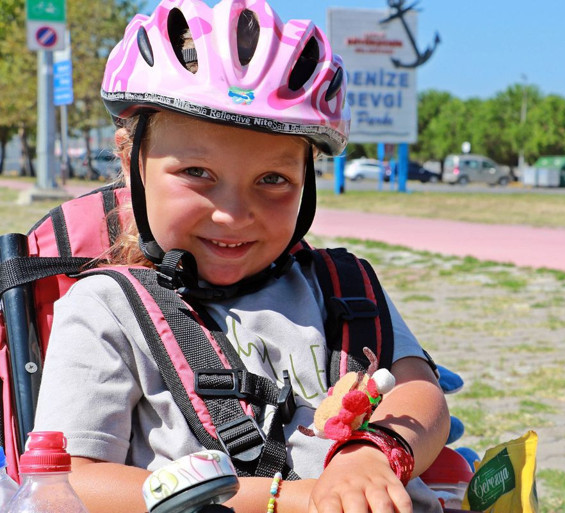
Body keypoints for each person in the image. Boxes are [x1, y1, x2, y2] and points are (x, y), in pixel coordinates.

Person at [32, 1, 450, 512]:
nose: (233, 215)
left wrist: (371, 453)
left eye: (272, 180)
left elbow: (420, 395)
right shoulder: (106, 310)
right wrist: (290, 498)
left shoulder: (345, 289)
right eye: (197, 174)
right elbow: (72, 481)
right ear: (131, 163)